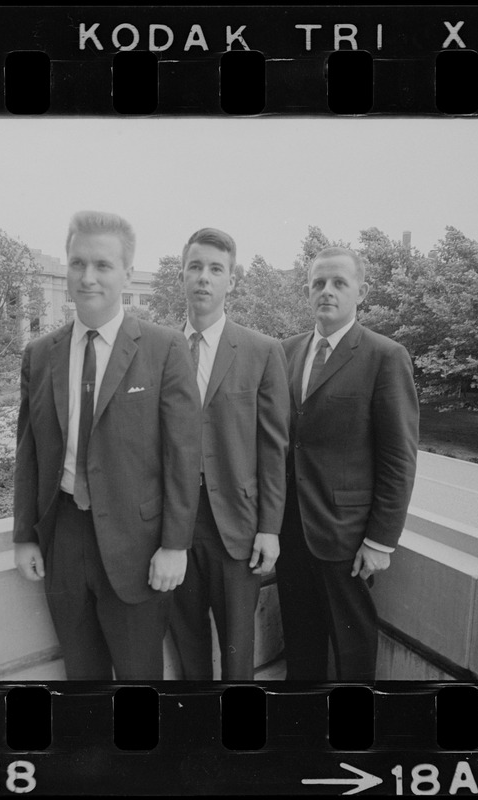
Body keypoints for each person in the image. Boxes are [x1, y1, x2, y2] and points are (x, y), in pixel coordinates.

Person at [13, 210, 202, 681]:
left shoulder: (165, 348)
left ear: (126, 274)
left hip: (137, 548)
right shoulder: (40, 355)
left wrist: (175, 545)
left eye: (102, 265)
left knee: (140, 678)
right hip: (63, 539)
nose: (88, 277)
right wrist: (24, 536)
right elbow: (29, 453)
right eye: (78, 264)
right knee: (83, 677)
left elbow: (184, 455)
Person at [278, 246, 419, 681]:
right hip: (290, 532)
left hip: (347, 538)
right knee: (300, 650)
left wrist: (380, 541)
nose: (327, 291)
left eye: (339, 282)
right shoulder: (286, 352)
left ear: (361, 291)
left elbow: (399, 458)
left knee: (353, 652)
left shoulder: (385, 356)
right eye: (318, 283)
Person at [168, 228, 290, 680]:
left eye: (215, 269)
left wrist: (270, 529)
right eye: (195, 267)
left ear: (230, 281)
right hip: (174, 528)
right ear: (182, 275)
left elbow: (274, 449)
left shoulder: (262, 351)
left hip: (236, 529)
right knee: (189, 649)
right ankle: (197, 738)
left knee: (239, 656)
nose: (204, 278)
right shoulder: (157, 349)